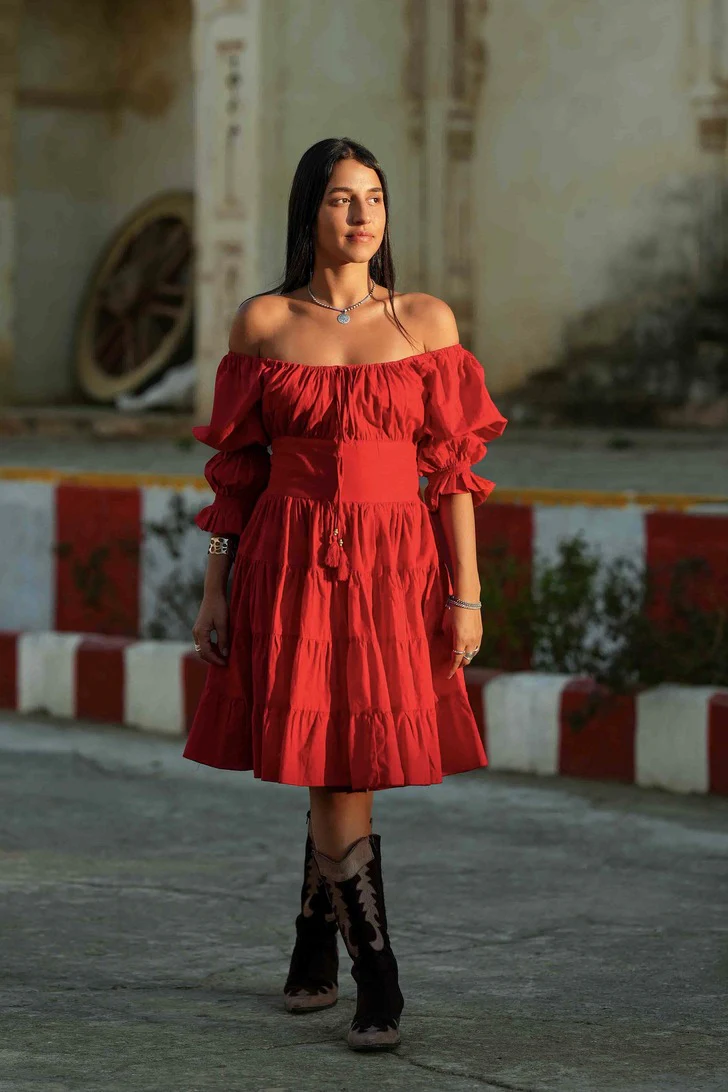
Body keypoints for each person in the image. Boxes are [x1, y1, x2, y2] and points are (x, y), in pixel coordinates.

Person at [184, 137, 507, 1052]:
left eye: (374, 198)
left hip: (396, 565)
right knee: (334, 764)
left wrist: (467, 593)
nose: (362, 215)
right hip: (289, 561)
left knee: (349, 757)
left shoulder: (424, 322)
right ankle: (378, 974)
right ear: (309, 211)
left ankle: (311, 939)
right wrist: (216, 587)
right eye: (341, 198)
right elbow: (237, 475)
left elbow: (454, 473)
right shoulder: (263, 323)